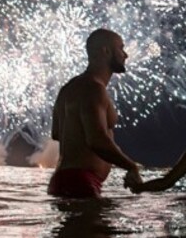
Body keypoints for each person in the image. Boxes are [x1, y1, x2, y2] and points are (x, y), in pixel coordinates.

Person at [48, 28, 142, 198]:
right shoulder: (94, 89)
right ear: (105, 51)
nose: (125, 55)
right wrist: (131, 166)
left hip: (63, 180)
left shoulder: (68, 88)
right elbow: (97, 140)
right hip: (81, 182)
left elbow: (56, 133)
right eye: (121, 48)